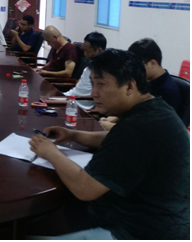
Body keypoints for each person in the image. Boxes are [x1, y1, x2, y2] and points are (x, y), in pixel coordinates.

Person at [29, 49, 189, 240]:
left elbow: (84, 188)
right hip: (150, 216)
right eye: (93, 84)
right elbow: (116, 139)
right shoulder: (153, 109)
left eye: (101, 84)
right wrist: (73, 134)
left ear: (129, 86)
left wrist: (50, 152)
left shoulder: (138, 128)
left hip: (139, 230)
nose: (93, 93)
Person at [101, 38, 182, 131]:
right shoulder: (146, 81)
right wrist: (116, 118)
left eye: (138, 66)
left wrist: (114, 127)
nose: (134, 70)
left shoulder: (168, 92)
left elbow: (152, 127)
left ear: (152, 63)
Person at [64, 32, 106, 98]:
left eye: (87, 51)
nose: (84, 54)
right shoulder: (88, 67)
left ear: (99, 50)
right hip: (69, 96)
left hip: (77, 101)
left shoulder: (103, 72)